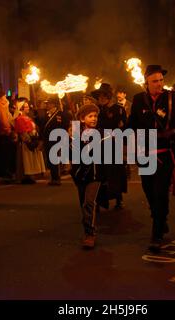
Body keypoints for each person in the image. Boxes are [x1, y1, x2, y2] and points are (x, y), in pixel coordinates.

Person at [129, 65, 175, 252]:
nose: (160, 84)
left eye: (161, 80)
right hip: (145, 150)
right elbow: (132, 123)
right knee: (148, 189)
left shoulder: (173, 98)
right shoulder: (138, 99)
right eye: (155, 81)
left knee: (160, 191)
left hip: (164, 150)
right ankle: (160, 218)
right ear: (146, 82)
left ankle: (157, 232)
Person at [70, 103, 106, 249]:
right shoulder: (75, 135)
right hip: (80, 174)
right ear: (82, 118)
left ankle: (90, 234)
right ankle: (87, 226)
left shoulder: (102, 134)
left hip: (95, 174)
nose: (94, 118)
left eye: (95, 116)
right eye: (90, 116)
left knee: (89, 202)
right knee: (83, 203)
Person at [91, 83, 127, 209]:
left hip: (114, 146)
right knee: (99, 174)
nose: (101, 98)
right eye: (99, 96)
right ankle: (99, 201)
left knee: (115, 174)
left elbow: (124, 128)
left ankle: (118, 198)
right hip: (99, 146)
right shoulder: (95, 111)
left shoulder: (118, 109)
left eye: (103, 96)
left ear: (108, 96)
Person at [41, 97, 72, 186]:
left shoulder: (61, 114)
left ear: (54, 104)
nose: (47, 105)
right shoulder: (46, 115)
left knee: (55, 159)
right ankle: (53, 177)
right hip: (48, 140)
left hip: (57, 139)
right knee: (50, 159)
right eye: (46, 104)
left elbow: (65, 126)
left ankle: (56, 178)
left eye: (49, 103)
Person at [14, 98, 46, 184]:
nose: (28, 108)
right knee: (26, 160)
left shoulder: (28, 117)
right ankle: (27, 176)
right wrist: (29, 141)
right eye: (26, 107)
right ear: (21, 109)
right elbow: (22, 132)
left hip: (32, 140)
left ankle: (31, 175)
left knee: (31, 160)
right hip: (26, 143)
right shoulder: (19, 119)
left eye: (28, 107)